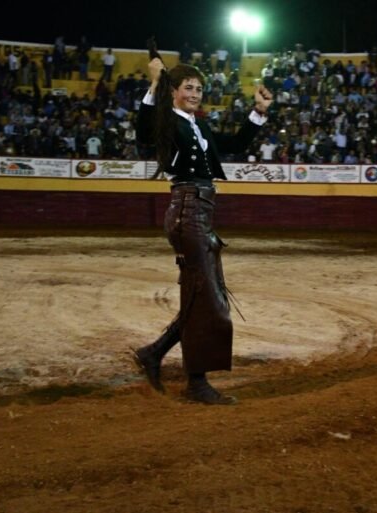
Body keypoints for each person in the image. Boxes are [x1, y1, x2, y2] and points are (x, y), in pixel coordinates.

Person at [133, 52, 272, 405]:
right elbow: (144, 132)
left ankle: (154, 353)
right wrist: (154, 84)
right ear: (174, 91)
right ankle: (196, 382)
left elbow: (235, 144)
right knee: (206, 299)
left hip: (200, 212)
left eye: (199, 88)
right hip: (187, 210)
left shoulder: (198, 124)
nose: (195, 93)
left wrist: (259, 112)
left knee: (204, 297)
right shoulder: (167, 121)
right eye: (188, 87)